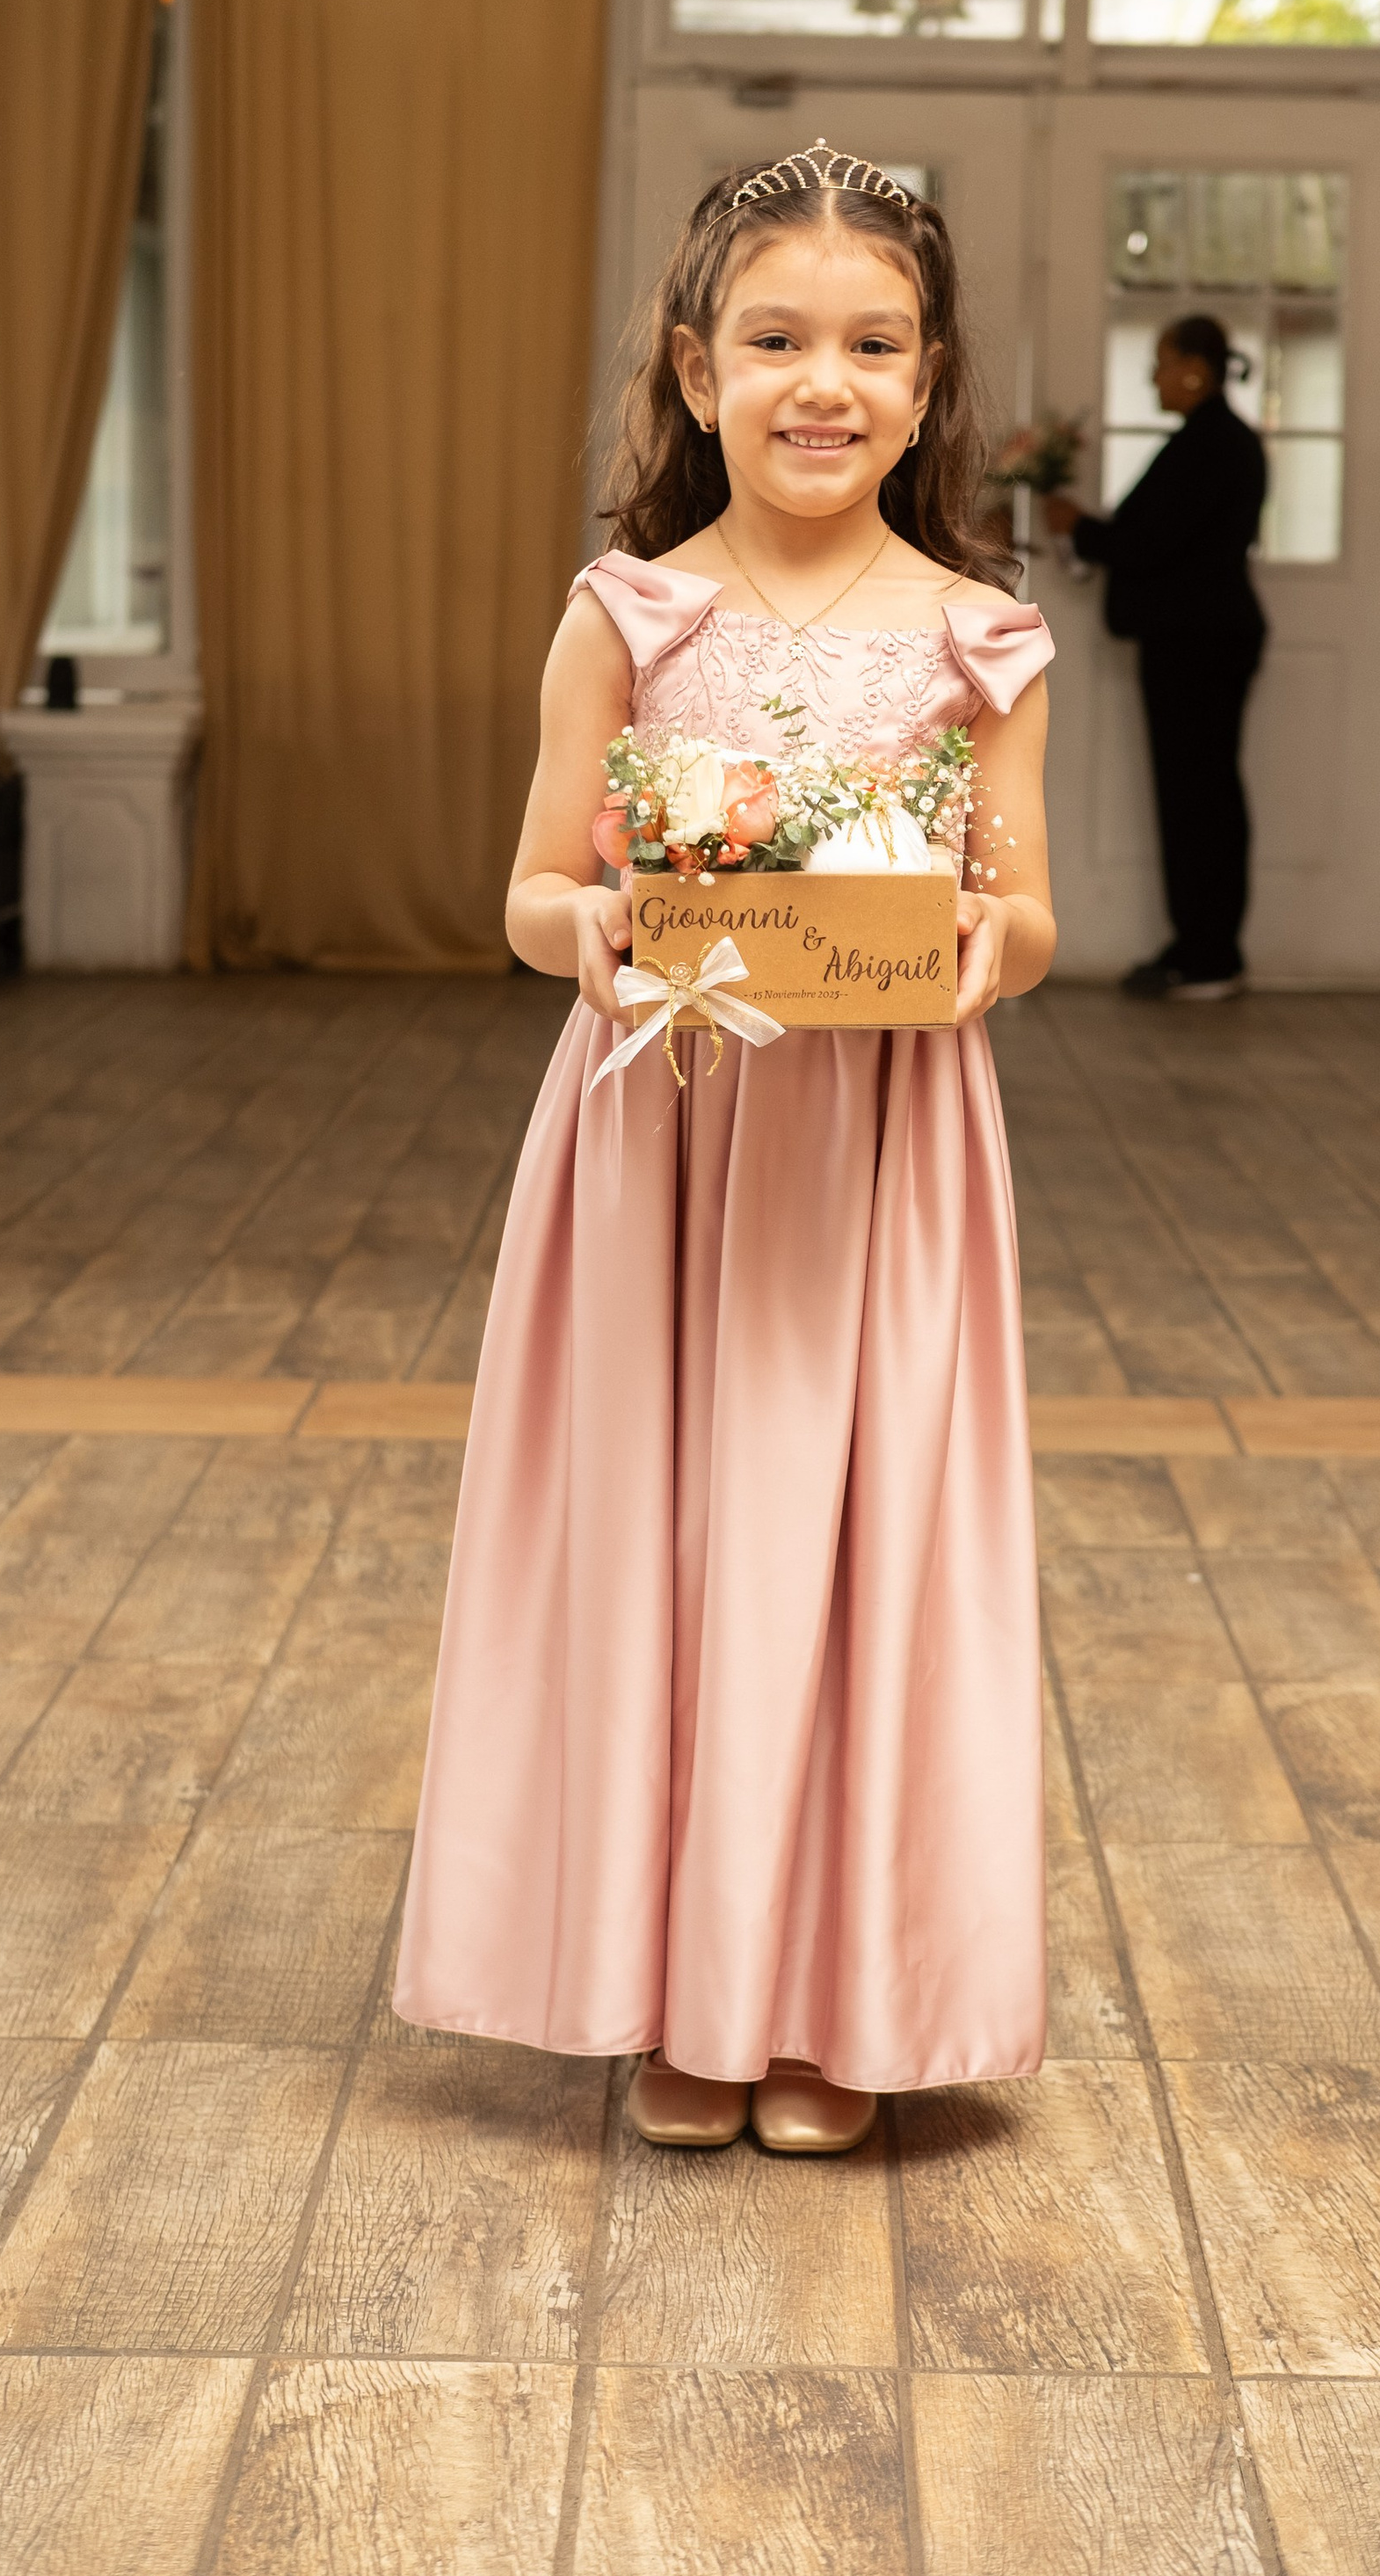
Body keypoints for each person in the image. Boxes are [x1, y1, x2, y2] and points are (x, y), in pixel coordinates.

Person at [392, 138, 1058, 2157]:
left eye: (870, 342)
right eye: (774, 338)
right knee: (674, 1537)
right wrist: (585, 929)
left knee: (844, 1546)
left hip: (875, 1155)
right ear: (697, 372)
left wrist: (970, 949)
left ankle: (831, 2007)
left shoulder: (979, 640)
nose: (820, 380)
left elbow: (1026, 917)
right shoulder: (626, 616)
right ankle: (676, 1993)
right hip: (660, 1135)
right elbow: (522, 882)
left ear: (926, 383)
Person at [1045, 313, 1267, 1000]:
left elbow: (1150, 543)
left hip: (1198, 641)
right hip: (1201, 636)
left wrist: (1077, 526)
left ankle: (1208, 956)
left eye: (1164, 361)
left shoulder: (1211, 446)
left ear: (1197, 367)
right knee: (1198, 793)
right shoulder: (1214, 442)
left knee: (1198, 796)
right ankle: (1198, 945)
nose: (1154, 377)